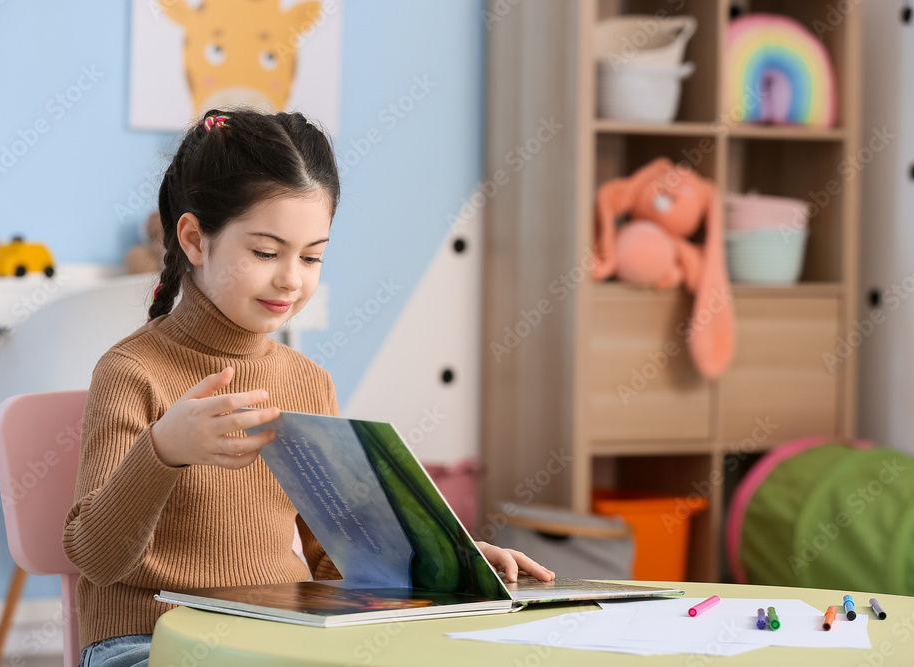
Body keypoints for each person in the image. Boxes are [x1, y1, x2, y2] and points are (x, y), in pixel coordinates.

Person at [63, 109, 554, 667]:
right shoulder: (132, 372)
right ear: (195, 240)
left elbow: (331, 559)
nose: (291, 278)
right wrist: (164, 451)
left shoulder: (307, 381)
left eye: (313, 255)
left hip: (280, 638)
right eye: (266, 252)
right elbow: (95, 558)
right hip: (146, 642)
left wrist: (444, 562)